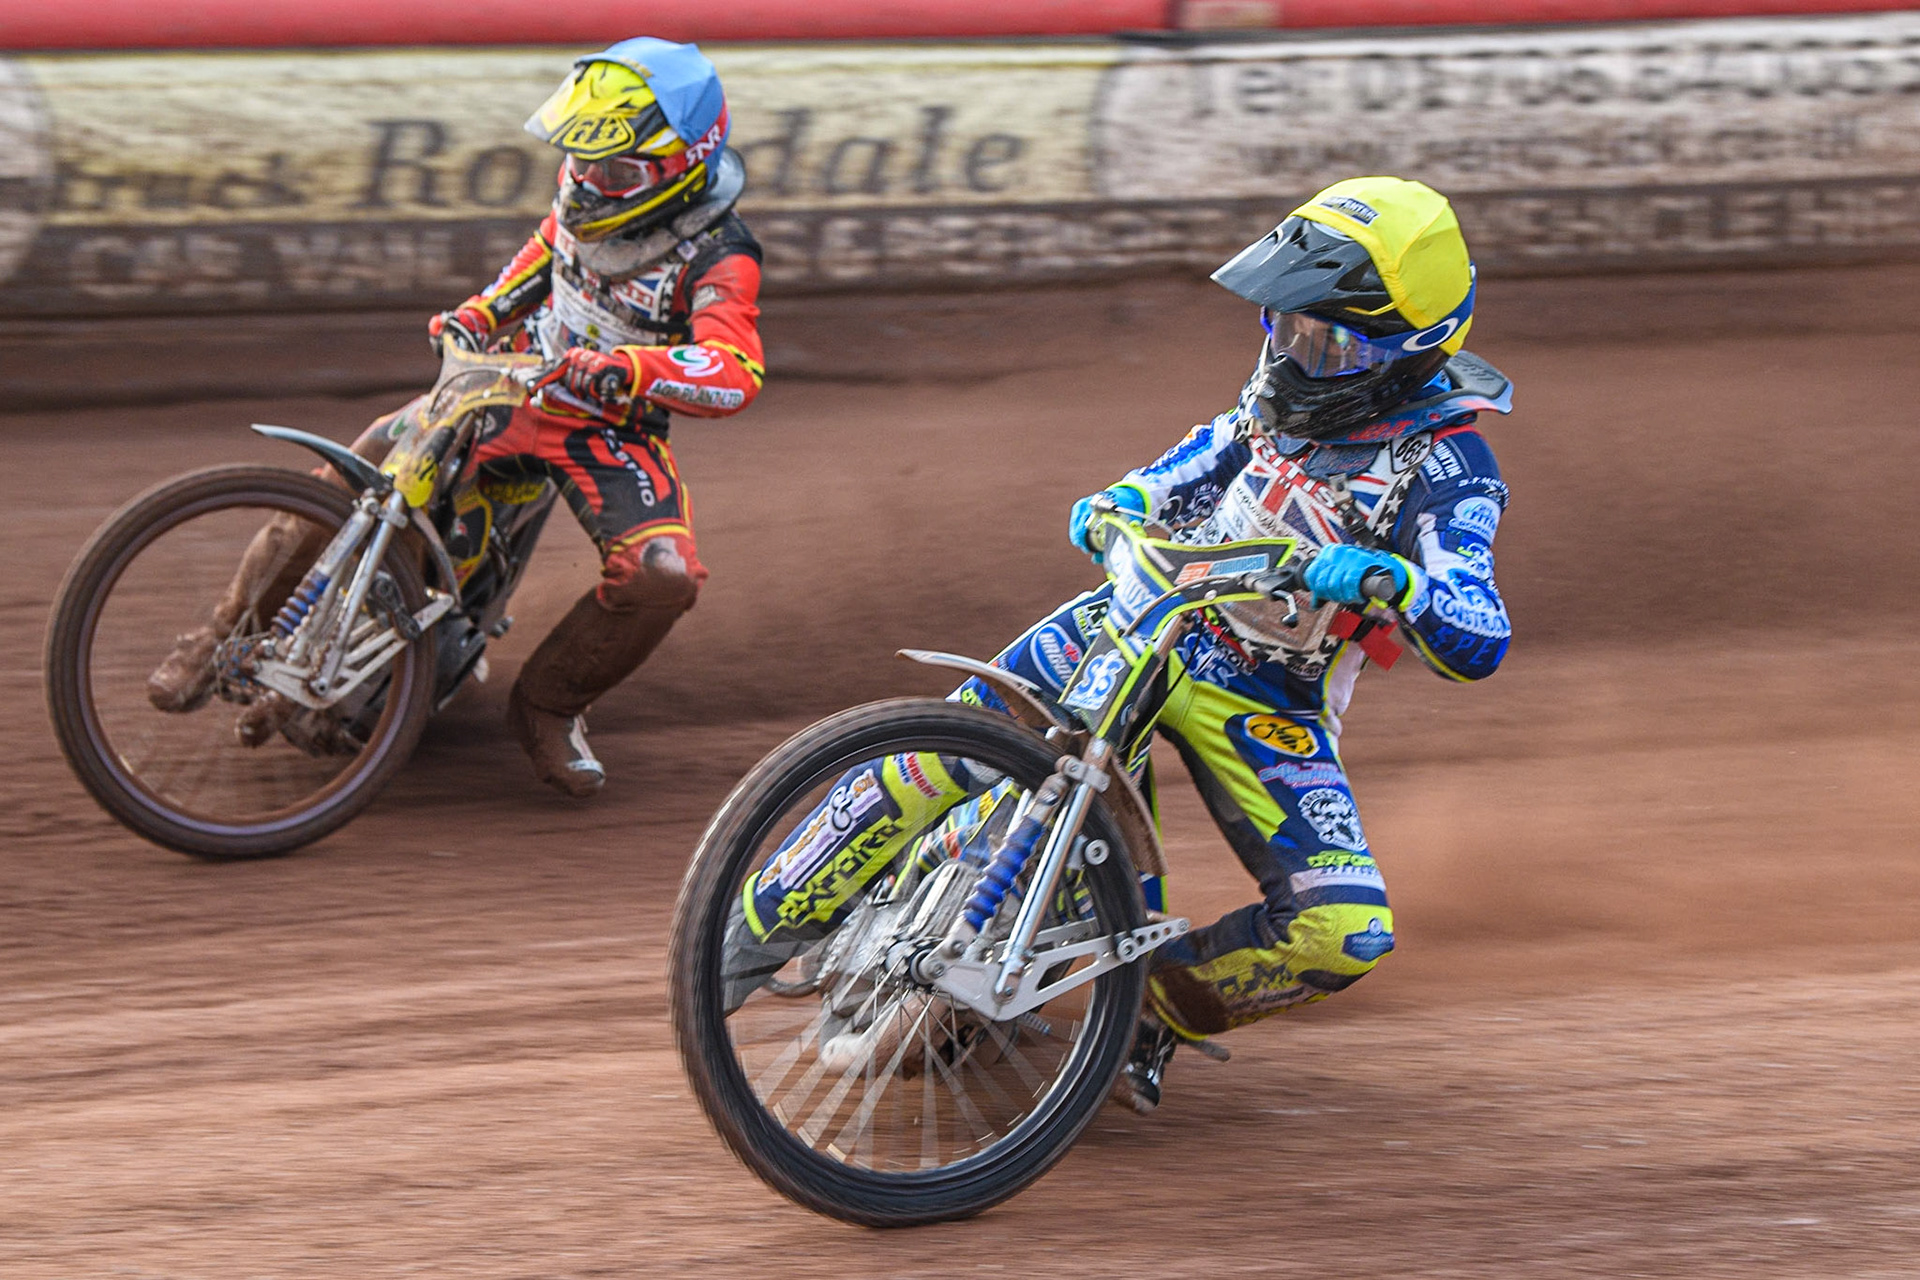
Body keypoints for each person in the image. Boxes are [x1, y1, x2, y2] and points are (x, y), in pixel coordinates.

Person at [725, 176, 1514, 1111]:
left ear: (1405, 353)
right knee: (953, 737)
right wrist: (1123, 503)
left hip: (1267, 695)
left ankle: (1146, 1013)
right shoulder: (1281, 394)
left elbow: (1480, 628)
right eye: (1287, 325)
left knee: (1344, 930)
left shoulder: (1452, 467)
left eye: (1327, 340)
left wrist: (1395, 580)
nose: (1298, 354)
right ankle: (752, 922)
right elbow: (1198, 459)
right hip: (1146, 616)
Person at [147, 38, 766, 797]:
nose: (591, 183)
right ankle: (217, 636)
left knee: (662, 576)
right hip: (508, 382)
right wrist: (478, 315)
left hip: (612, 425)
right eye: (583, 160)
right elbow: (543, 258)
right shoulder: (582, 200)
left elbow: (735, 368)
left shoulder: (720, 254)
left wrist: (628, 368)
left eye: (615, 172)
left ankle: (547, 706)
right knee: (364, 467)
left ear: (679, 168)